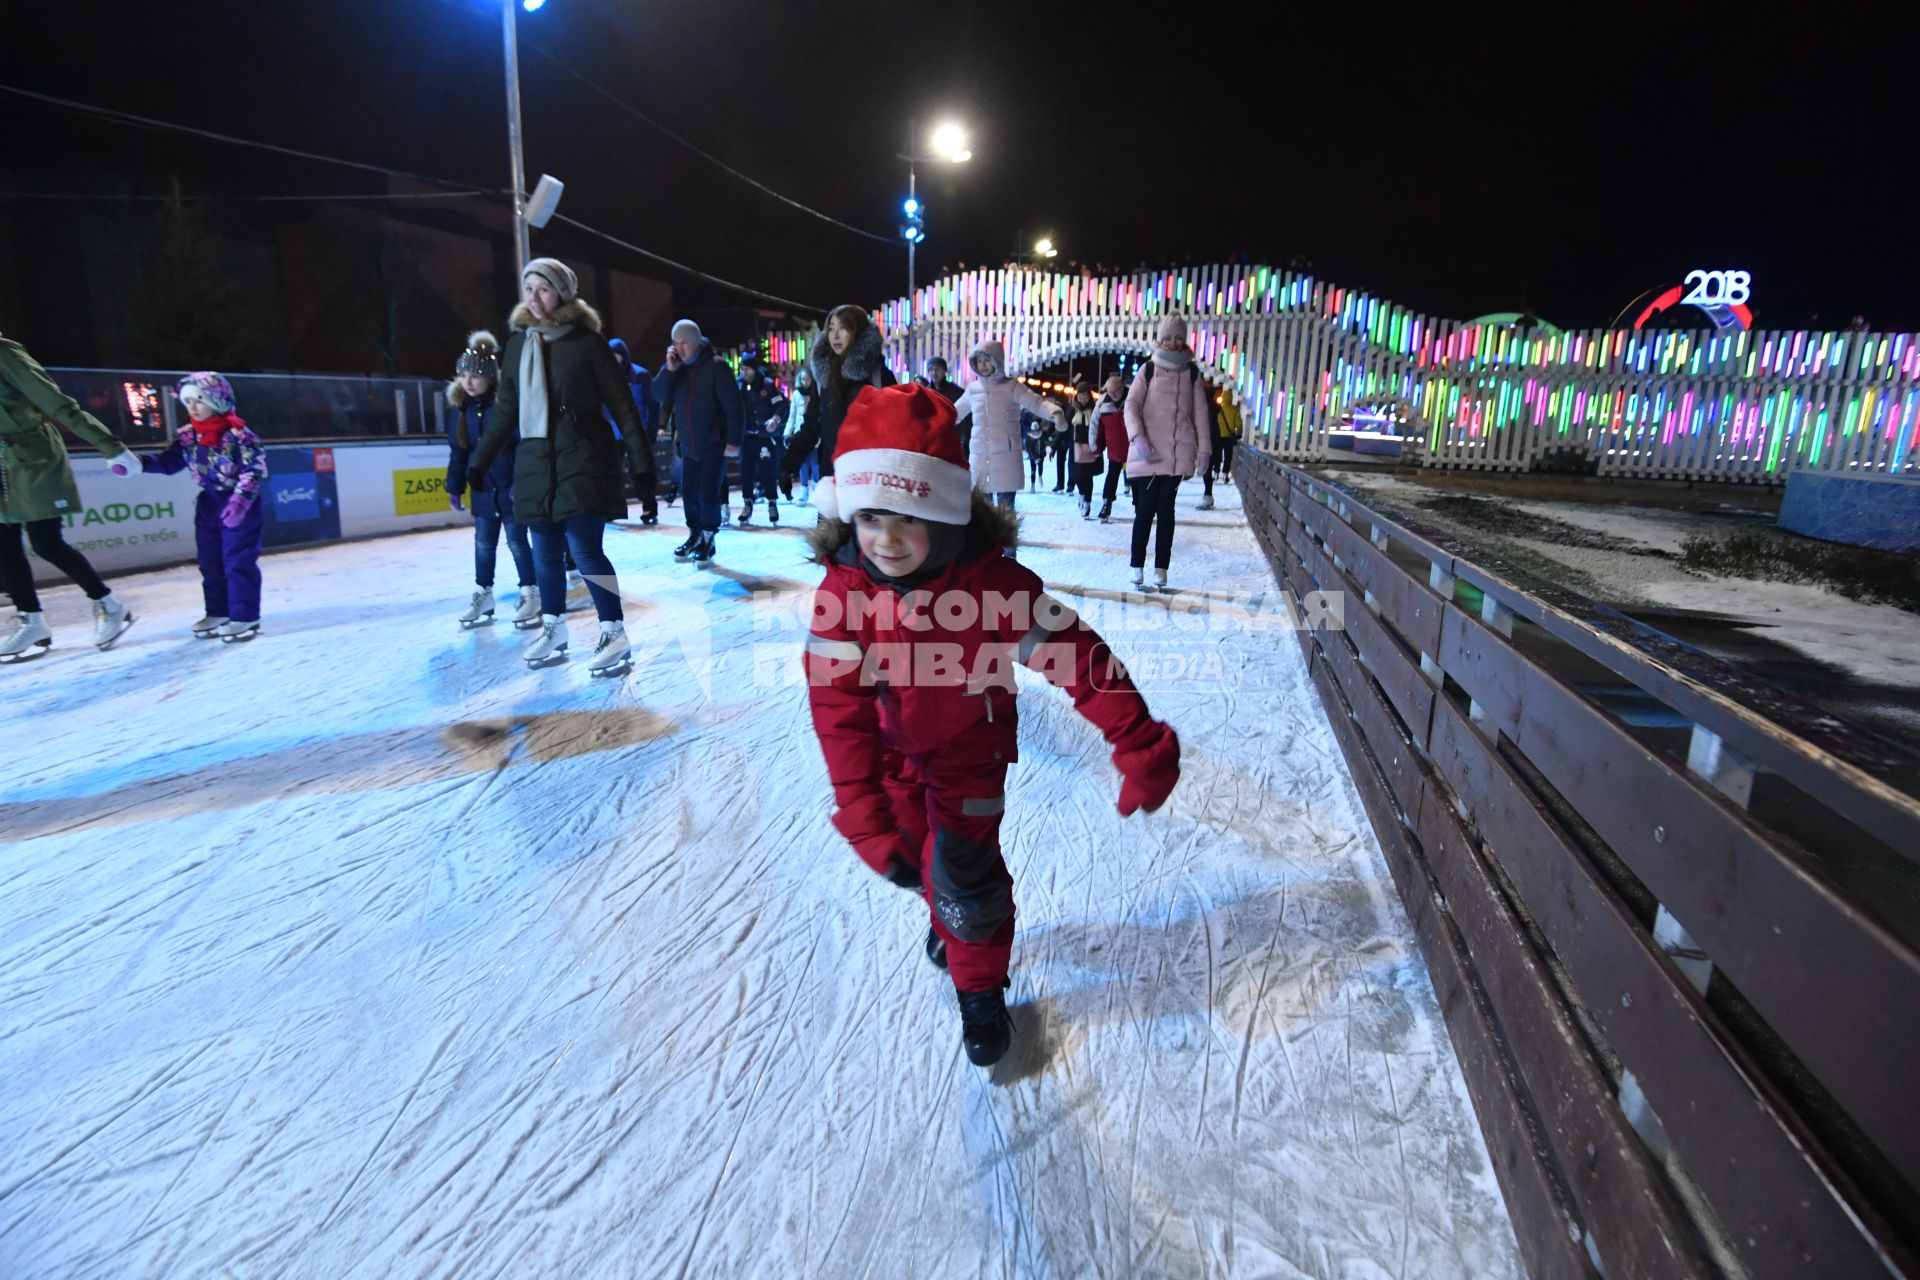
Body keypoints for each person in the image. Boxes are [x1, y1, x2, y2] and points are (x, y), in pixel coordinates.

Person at [802, 382, 1182, 1067]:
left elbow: (1080, 658)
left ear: (945, 515)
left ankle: (979, 990)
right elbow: (838, 712)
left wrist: (1137, 738)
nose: (886, 541)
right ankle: (946, 920)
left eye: (908, 520)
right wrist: (861, 809)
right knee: (921, 863)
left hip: (968, 756)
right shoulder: (845, 596)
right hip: (892, 761)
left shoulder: (992, 590)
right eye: (871, 520)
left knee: (967, 880)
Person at [468, 257, 654, 677]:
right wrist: (479, 461)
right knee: (545, 552)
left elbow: (622, 406)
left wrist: (642, 466)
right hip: (534, 460)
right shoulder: (518, 345)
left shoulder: (587, 343)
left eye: (544, 288)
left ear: (562, 293)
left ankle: (613, 629)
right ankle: (553, 627)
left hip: (584, 456)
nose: (534, 297)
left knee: (585, 549)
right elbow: (505, 411)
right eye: (528, 287)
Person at [0, 333, 140, 661]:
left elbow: (55, 402)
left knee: (46, 542)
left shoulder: (4, 353)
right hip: (1, 462)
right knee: (3, 544)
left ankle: (109, 605)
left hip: (32, 457)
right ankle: (31, 621)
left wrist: (110, 445)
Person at [111, 372, 270, 641]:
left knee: (237, 561)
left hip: (237, 503)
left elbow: (254, 469)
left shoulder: (239, 435)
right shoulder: (188, 436)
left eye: (199, 400)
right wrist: (137, 464)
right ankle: (219, 611)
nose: (193, 408)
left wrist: (240, 500)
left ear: (218, 400)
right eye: (187, 402)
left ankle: (245, 616)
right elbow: (169, 462)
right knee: (210, 563)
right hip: (208, 503)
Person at [445, 331, 538, 631]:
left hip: (509, 490)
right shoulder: (462, 412)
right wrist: (455, 486)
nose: (468, 381)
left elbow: (522, 447)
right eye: (463, 375)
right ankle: (483, 594)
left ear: (489, 376)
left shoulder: (505, 407)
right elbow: (459, 452)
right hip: (484, 491)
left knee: (517, 543)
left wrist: (519, 482)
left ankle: (530, 593)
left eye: (475, 375)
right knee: (483, 545)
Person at [1123, 314, 1211, 591]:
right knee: (1145, 510)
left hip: (1175, 455)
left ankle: (1161, 568)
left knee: (1166, 512)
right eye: (1169, 337)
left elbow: (1200, 414)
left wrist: (1205, 451)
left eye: (1179, 337)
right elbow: (1130, 406)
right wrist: (1138, 437)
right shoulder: (1148, 370)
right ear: (1160, 340)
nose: (1174, 342)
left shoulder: (1192, 373)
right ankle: (1137, 565)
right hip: (1148, 453)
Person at [652, 318, 744, 562]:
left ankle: (708, 537)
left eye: (683, 343)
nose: (678, 348)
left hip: (714, 445)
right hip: (689, 446)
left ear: (695, 343)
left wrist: (733, 441)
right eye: (675, 343)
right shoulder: (677, 369)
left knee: (708, 493)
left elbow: (735, 406)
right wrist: (668, 370)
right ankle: (694, 534)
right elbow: (658, 394)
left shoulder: (716, 367)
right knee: (690, 493)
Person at [779, 304, 894, 495]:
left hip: (867, 480)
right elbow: (811, 427)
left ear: (859, 331)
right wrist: (788, 465)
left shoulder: (879, 376)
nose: (835, 335)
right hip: (830, 478)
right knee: (829, 525)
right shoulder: (823, 378)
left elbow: (893, 429)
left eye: (843, 327)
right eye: (831, 328)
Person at [954, 339, 1063, 512]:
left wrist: (1054, 413)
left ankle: (1006, 540)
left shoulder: (1011, 386)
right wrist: (934, 421)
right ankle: (986, 540)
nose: (983, 365)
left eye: (987, 360)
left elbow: (1036, 403)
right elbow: (954, 412)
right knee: (983, 515)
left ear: (997, 360)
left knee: (1006, 513)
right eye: (979, 361)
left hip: (1006, 457)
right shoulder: (973, 389)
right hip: (979, 459)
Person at [607, 337, 660, 526]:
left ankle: (649, 507)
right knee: (612, 471)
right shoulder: (606, 377)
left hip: (637, 431)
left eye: (616, 357)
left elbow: (653, 405)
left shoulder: (641, 375)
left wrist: (653, 429)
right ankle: (613, 507)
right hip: (613, 432)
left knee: (642, 471)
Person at [735, 356, 786, 525]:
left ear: (755, 369)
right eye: (742, 369)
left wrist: (775, 419)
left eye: (747, 369)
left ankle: (772, 503)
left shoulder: (767, 385)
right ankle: (747, 503)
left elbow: (781, 405)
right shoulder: (740, 386)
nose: (744, 372)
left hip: (764, 437)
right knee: (746, 472)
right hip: (746, 438)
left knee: (767, 472)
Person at [1092, 373, 1129, 523]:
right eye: (1109, 391)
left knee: (1138, 480)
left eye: (1115, 391)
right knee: (1111, 477)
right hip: (1114, 450)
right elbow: (1095, 428)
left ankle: (1141, 507)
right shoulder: (1102, 405)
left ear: (1122, 387)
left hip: (1134, 450)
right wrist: (1096, 447)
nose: (1112, 394)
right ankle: (1107, 504)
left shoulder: (1133, 399)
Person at [782, 366, 818, 504]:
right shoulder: (797, 394)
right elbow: (792, 416)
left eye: (807, 379)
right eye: (803, 379)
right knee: (803, 463)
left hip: (814, 434)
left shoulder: (817, 393)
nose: (805, 382)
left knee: (815, 463)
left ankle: (817, 489)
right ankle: (804, 492)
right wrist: (787, 434)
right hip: (800, 433)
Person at [1066, 379, 1100, 518]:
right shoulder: (1071, 409)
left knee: (1088, 477)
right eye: (1080, 396)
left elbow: (1101, 428)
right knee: (1076, 476)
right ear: (1076, 396)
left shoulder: (1095, 409)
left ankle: (1087, 503)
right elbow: (1064, 428)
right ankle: (1081, 494)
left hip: (1091, 447)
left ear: (1090, 396)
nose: (1083, 399)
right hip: (1074, 449)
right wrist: (1056, 444)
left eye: (1085, 396)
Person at [1198, 384, 1225, 511]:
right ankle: (1208, 494)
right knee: (1208, 469)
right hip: (1216, 441)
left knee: (1206, 471)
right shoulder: (1217, 408)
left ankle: (1208, 495)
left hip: (1208, 442)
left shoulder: (1206, 409)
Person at [1215, 386, 1242, 482]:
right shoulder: (1234, 411)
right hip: (1228, 437)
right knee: (1228, 456)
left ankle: (1216, 472)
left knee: (1217, 454)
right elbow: (1238, 424)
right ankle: (1225, 473)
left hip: (1218, 436)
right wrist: (1239, 433)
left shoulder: (1218, 409)